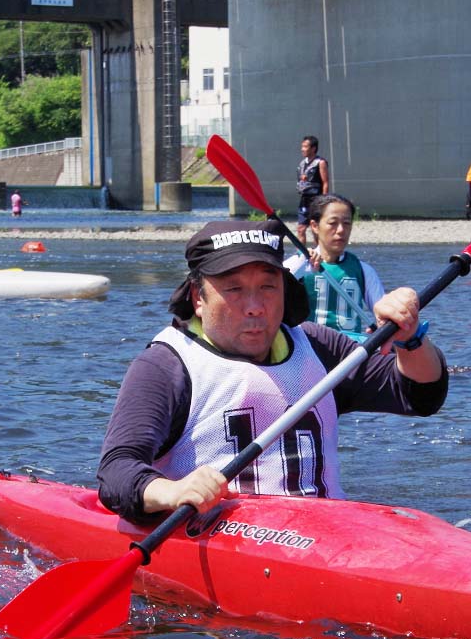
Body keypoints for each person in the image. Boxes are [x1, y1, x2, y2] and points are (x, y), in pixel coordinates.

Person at [97, 219, 447, 522]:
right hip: (227, 545)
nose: (254, 307)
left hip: (326, 538)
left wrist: (410, 339)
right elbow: (116, 470)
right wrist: (173, 491)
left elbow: (419, 395)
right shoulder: (167, 366)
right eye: (233, 289)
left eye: (268, 287)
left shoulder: (316, 346)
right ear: (198, 297)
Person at [283, 193, 385, 334]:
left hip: (351, 349)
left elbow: (383, 312)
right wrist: (301, 266)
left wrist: (383, 327)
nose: (341, 230)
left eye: (346, 223)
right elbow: (271, 290)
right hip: (309, 349)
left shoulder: (363, 270)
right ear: (315, 226)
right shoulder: (298, 263)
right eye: (333, 223)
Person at [296, 136, 329, 247]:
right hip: (304, 200)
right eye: (302, 146)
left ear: (313, 148)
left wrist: (324, 202)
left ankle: (319, 253)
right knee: (301, 229)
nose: (302, 149)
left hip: (316, 200)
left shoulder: (320, 162)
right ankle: (301, 254)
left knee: (315, 230)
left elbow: (325, 183)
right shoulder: (302, 163)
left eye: (305, 146)